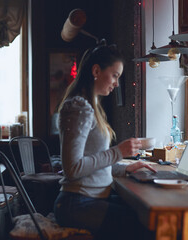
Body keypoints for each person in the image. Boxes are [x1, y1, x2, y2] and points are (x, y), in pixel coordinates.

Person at [53, 43, 156, 240]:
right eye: (115, 75)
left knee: (145, 217)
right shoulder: (79, 107)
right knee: (145, 225)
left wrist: (125, 168)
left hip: (85, 199)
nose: (117, 83)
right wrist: (118, 152)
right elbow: (72, 168)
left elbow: (92, 162)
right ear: (96, 71)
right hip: (76, 204)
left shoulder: (90, 106)